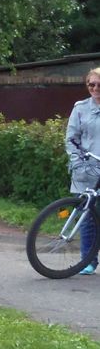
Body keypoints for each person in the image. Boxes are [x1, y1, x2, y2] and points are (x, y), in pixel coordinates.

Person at [66, 67, 100, 275]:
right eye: (91, 84)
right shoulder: (80, 108)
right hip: (87, 171)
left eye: (99, 84)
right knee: (87, 216)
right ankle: (88, 260)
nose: (95, 88)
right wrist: (77, 162)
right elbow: (71, 139)